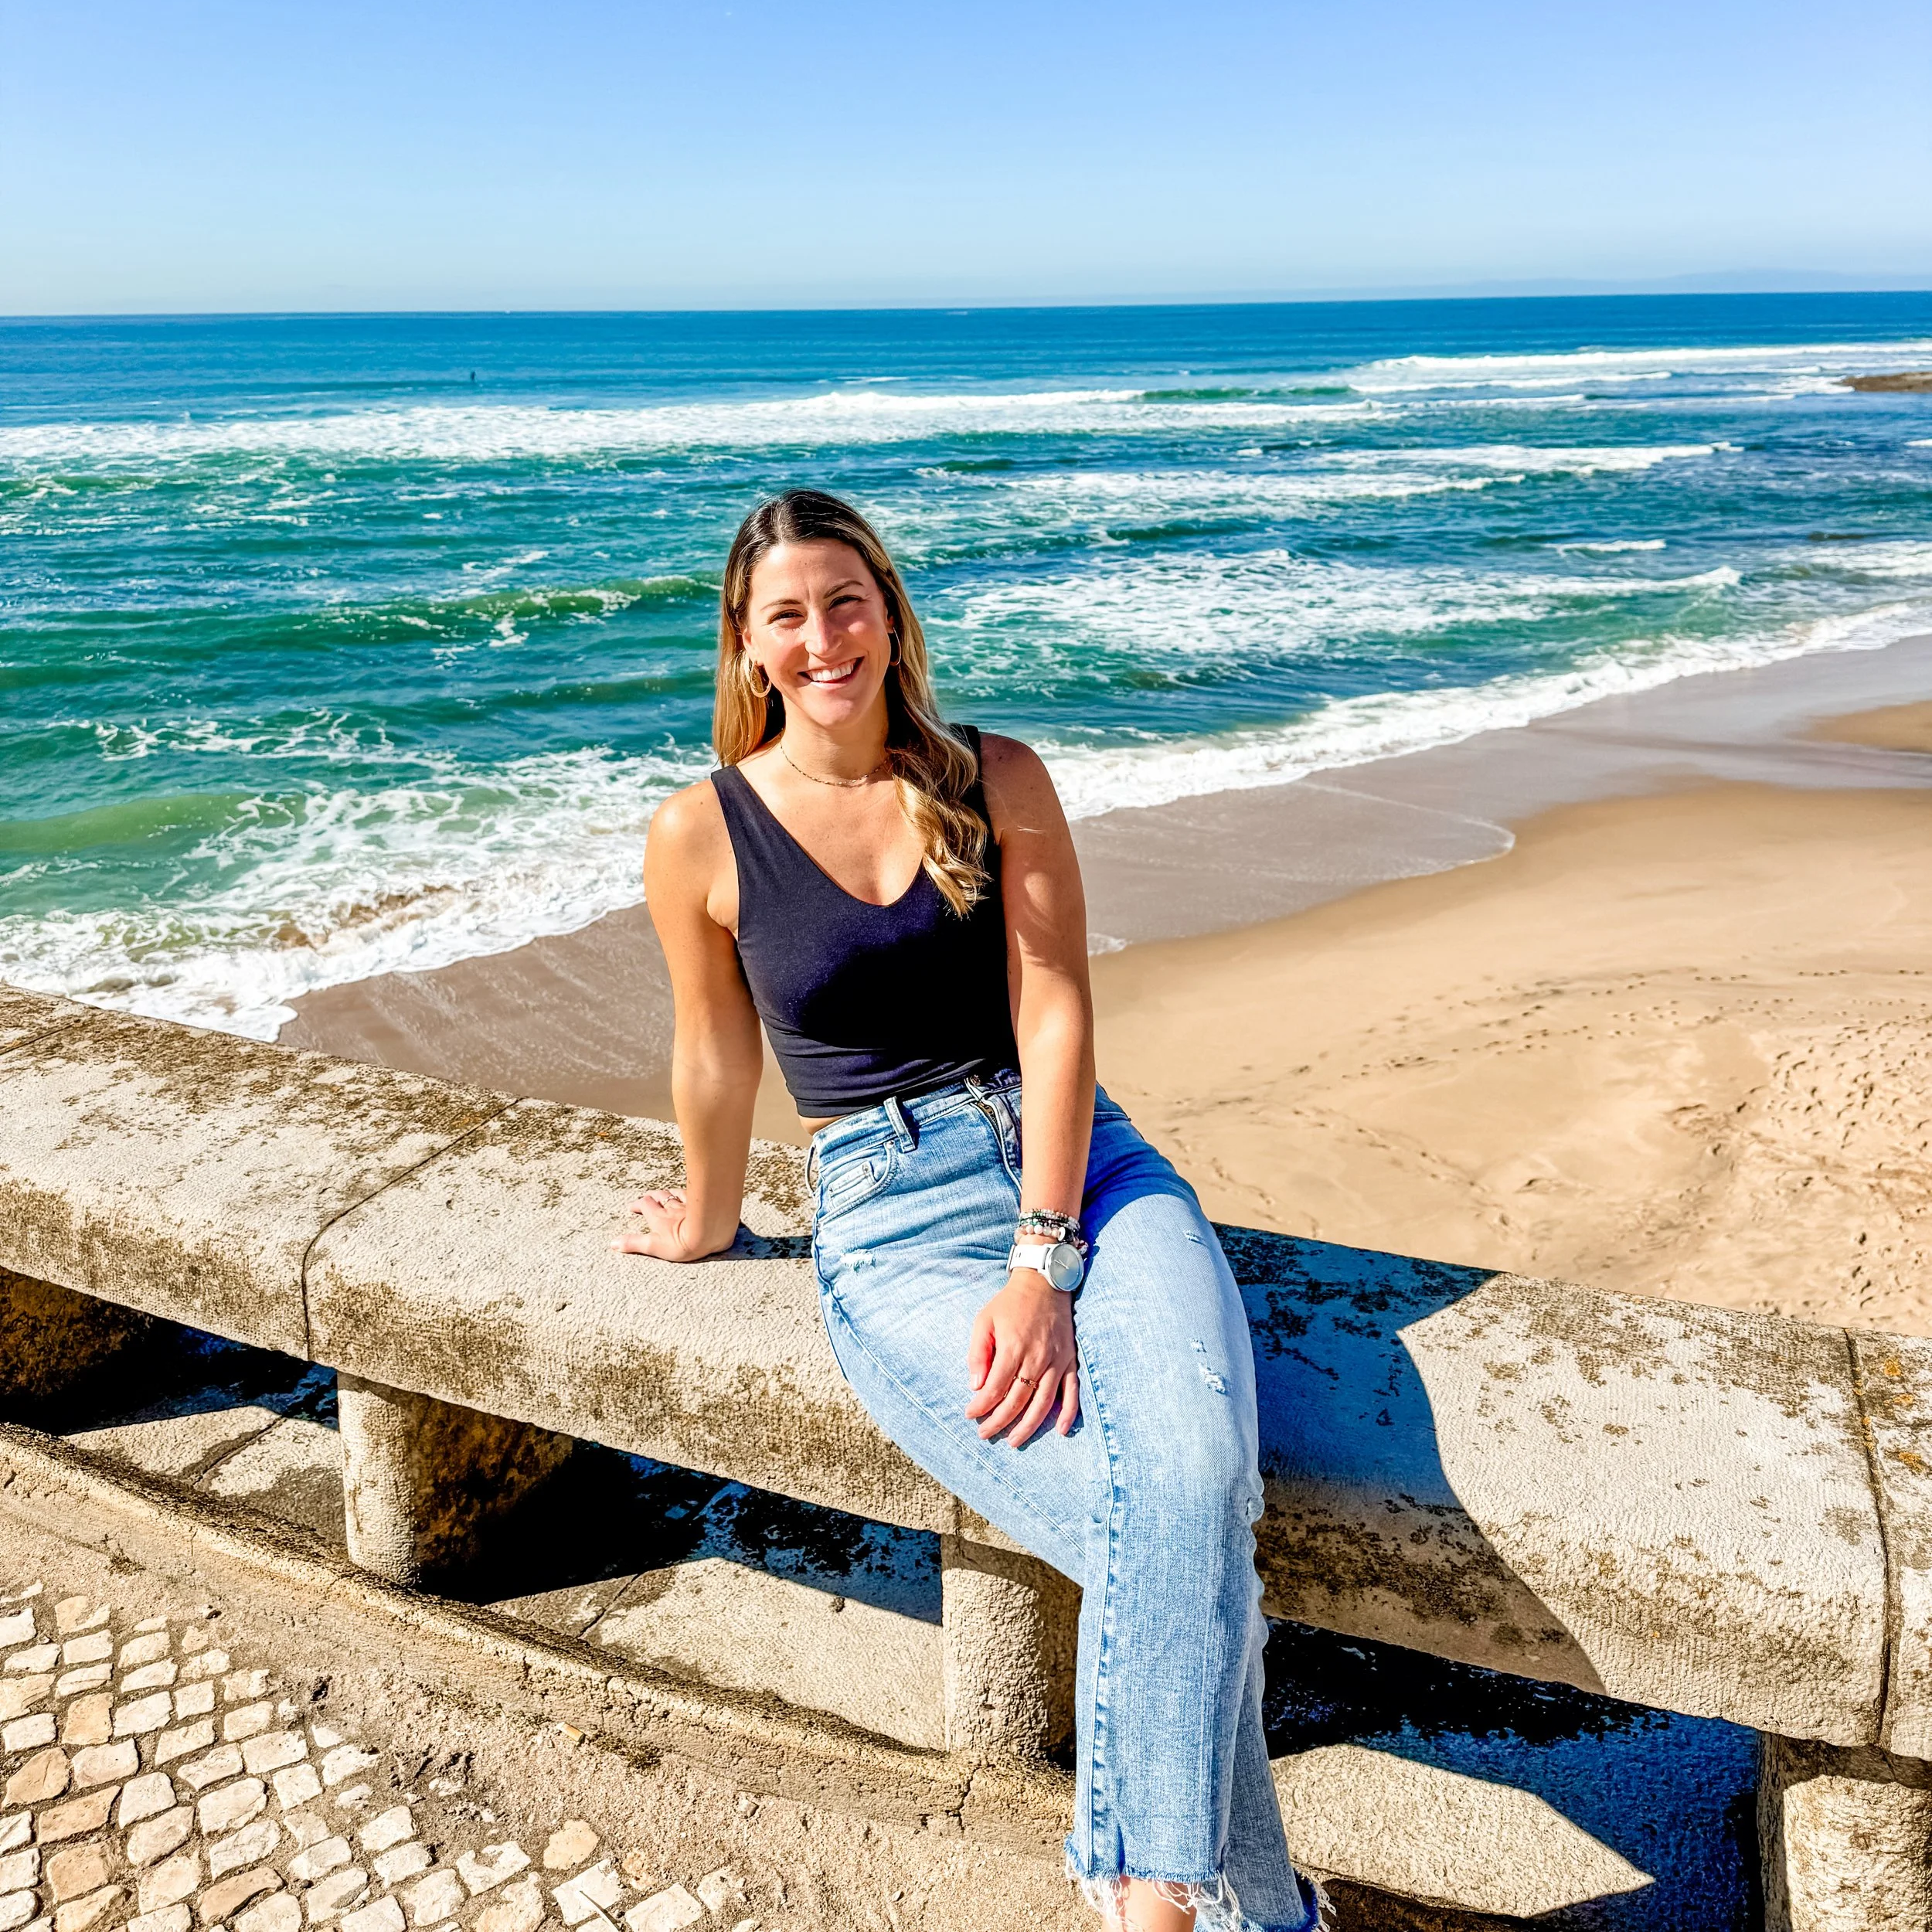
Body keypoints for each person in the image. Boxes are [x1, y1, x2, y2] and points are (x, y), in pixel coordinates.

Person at [618, 489, 1318, 1932]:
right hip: (888, 1214)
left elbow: (1056, 1013)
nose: (826, 637)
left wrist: (1045, 1259)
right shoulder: (699, 831)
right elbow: (712, 1051)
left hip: (1091, 1177)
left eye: (848, 599)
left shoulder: (992, 774)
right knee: (1183, 1538)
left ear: (890, 611)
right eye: (789, 615)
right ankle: (1248, 1913)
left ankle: (1146, 1903)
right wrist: (704, 1210)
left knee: (1188, 1486)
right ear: (748, 649)